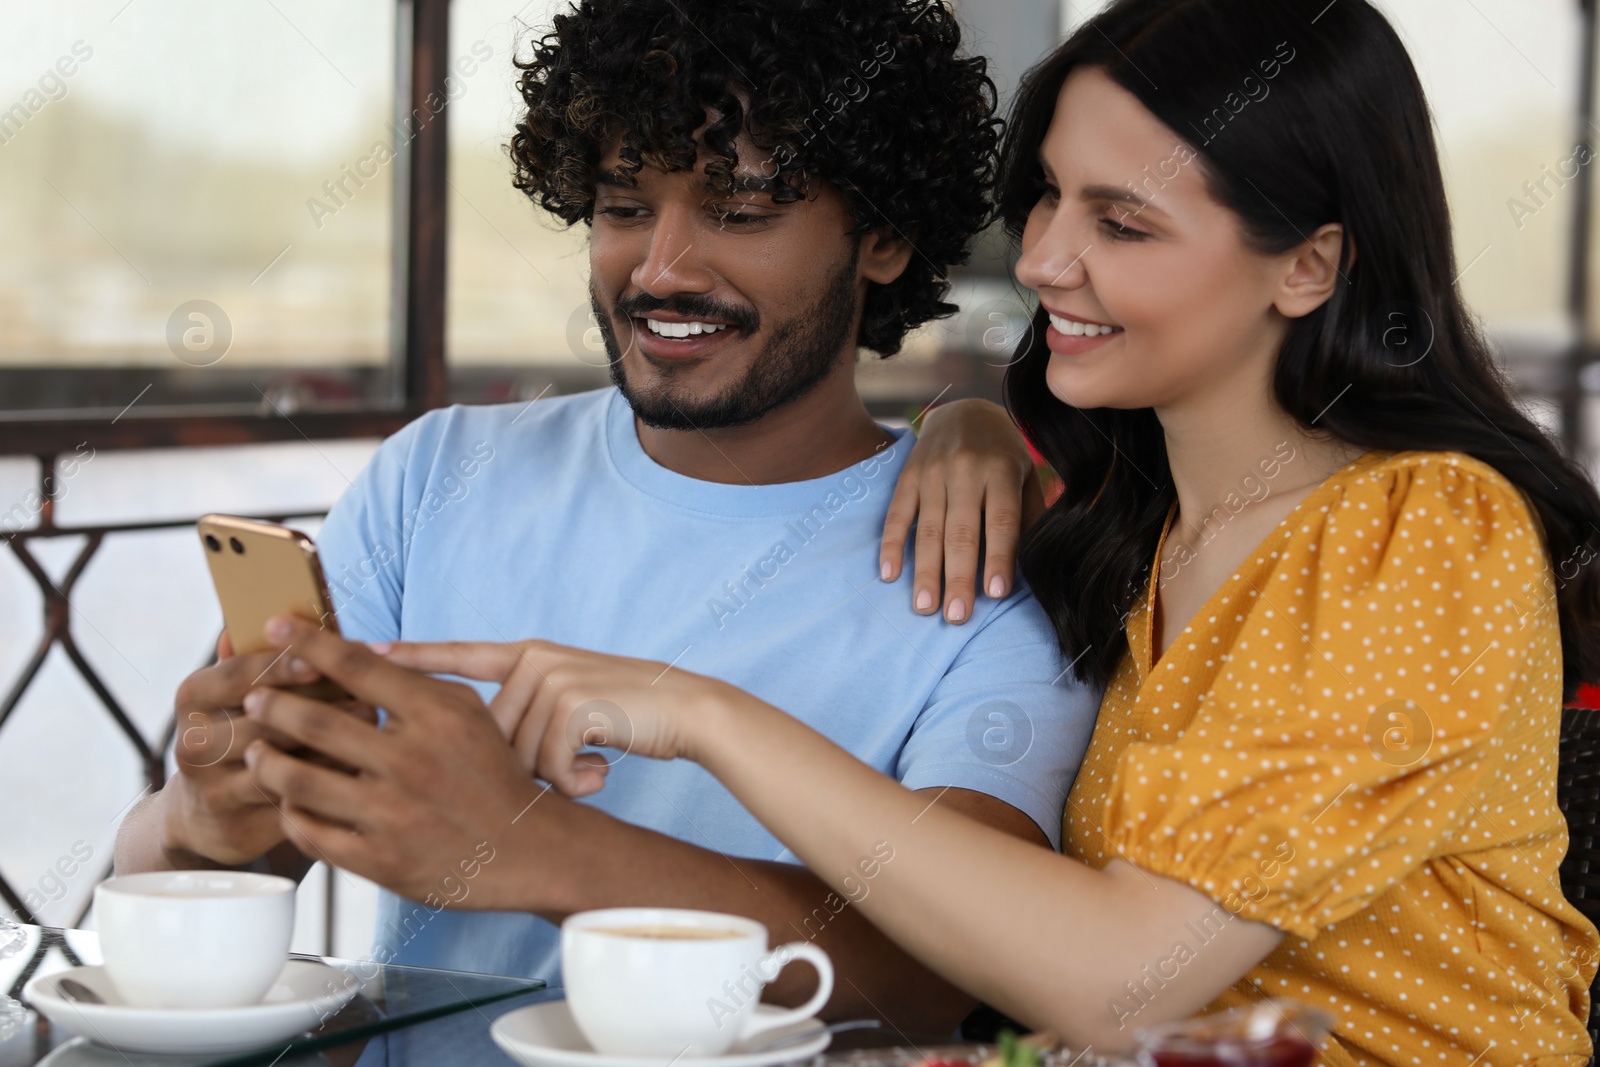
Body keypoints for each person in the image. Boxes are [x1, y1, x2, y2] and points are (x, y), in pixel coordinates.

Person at [255, 0, 1600, 1061]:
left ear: (1309, 261)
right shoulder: (1121, 524)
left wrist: (700, 710)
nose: (1049, 261)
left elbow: (1114, 979)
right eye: (1049, 200)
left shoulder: (1422, 529)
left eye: (1123, 222)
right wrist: (973, 422)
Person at [112, 0, 1101, 1034]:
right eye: (625, 206)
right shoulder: (436, 474)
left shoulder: (985, 559)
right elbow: (185, 853)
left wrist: (533, 845)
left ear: (885, 238)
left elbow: (933, 975)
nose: (662, 267)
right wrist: (201, 819)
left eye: (740, 211)